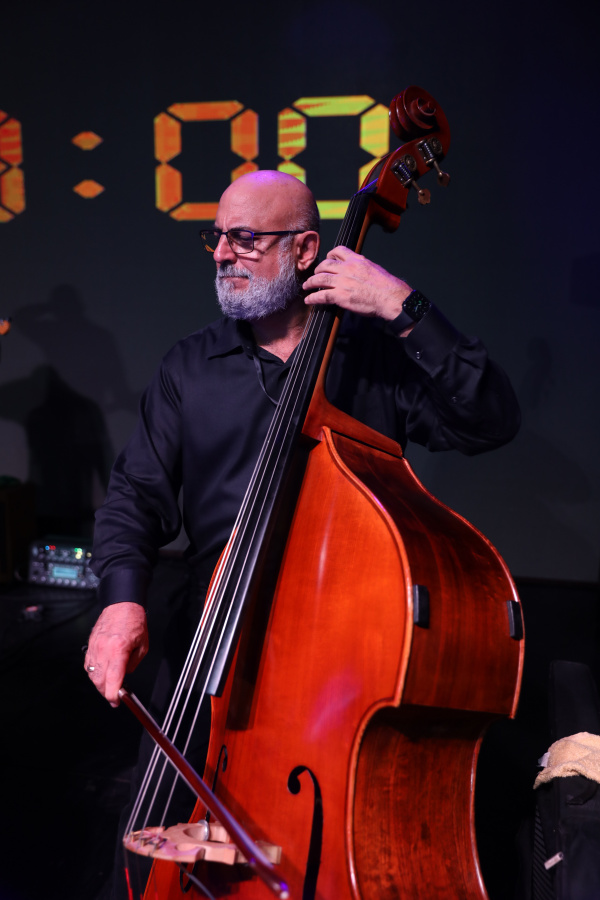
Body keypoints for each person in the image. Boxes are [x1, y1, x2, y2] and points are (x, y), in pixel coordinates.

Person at [84, 168, 520, 703]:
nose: (221, 253)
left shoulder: (375, 357)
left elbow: (489, 421)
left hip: (346, 639)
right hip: (213, 629)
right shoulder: (189, 365)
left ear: (305, 249)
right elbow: (134, 495)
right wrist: (121, 602)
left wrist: (404, 307)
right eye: (216, 237)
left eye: (244, 238)